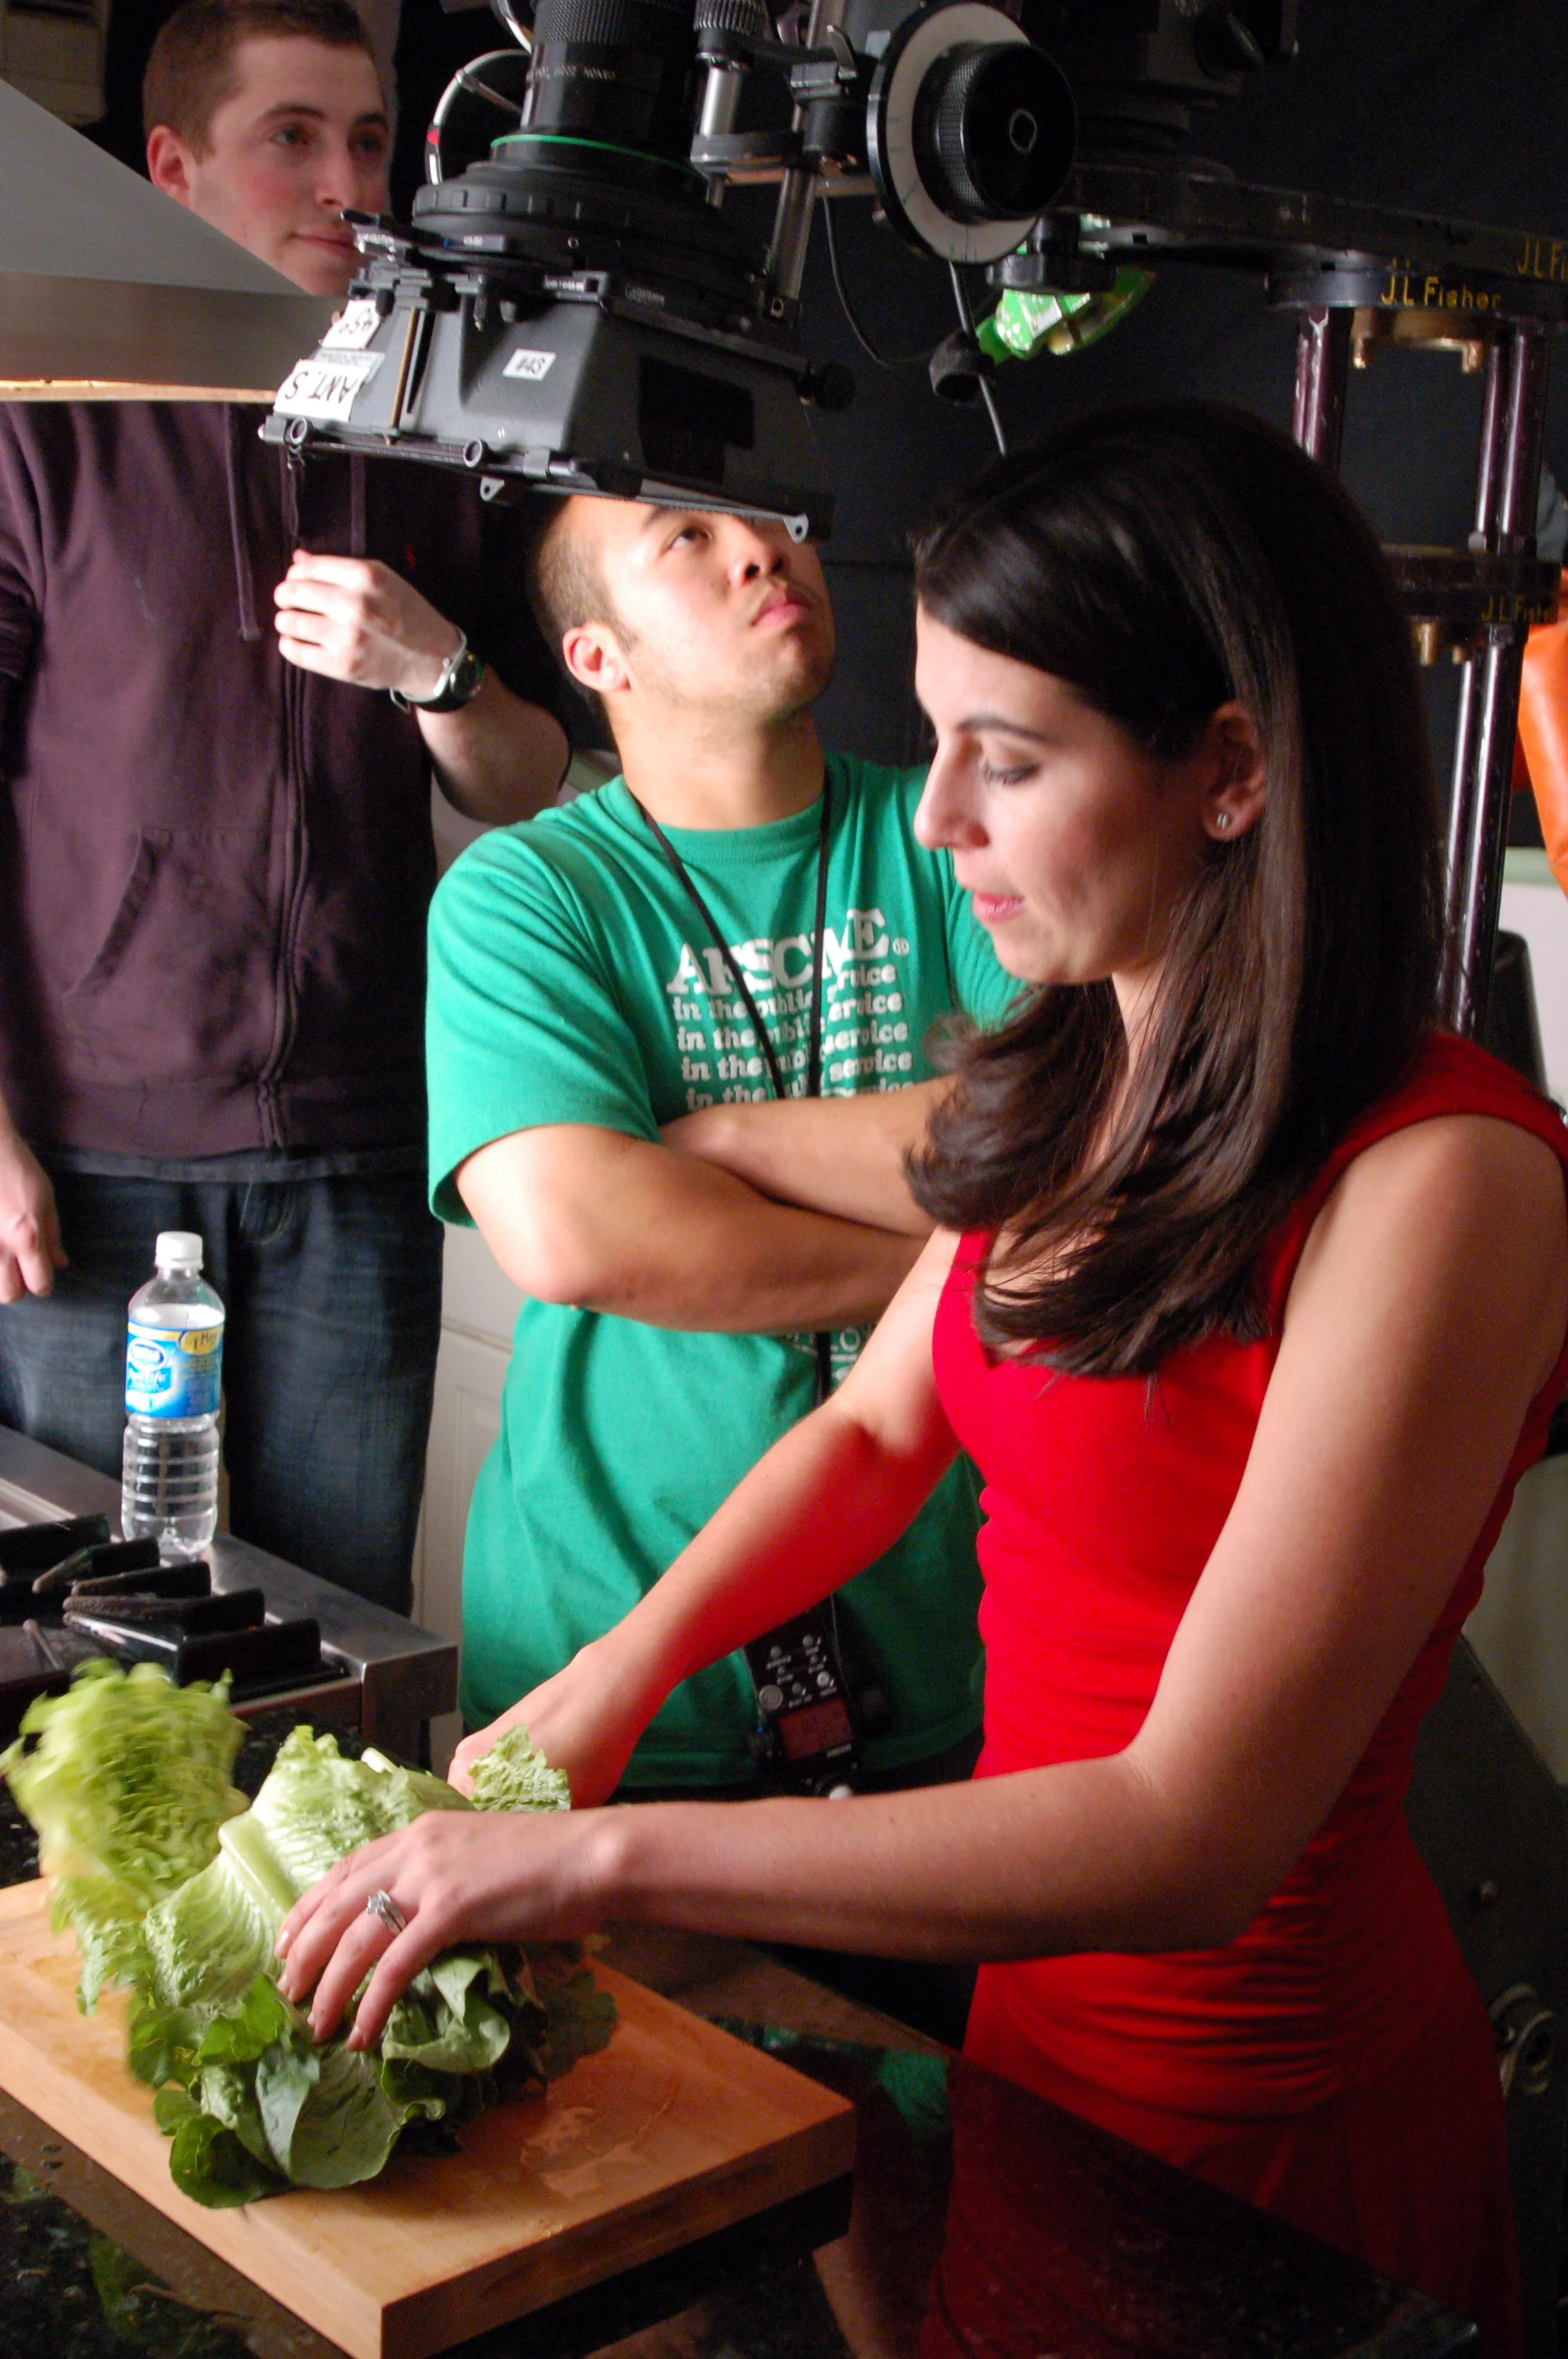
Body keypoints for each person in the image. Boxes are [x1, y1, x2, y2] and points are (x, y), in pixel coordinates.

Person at [275, 404, 1568, 2350]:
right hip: (1029, 2027)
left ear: (1227, 770)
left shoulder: (1443, 1178)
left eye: (1010, 757)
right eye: (940, 734)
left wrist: (588, 1852)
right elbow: (885, 1427)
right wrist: (610, 1689)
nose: (939, 815)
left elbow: (1191, 1831)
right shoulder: (1068, 1070)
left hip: (1256, 2101)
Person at [0, 0, 569, 1611]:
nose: (345, 183)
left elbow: (529, 773)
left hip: (357, 1144)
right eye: (293, 139)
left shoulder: (443, 429)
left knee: (334, 1639)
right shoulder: (44, 420)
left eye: (370, 140)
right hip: (88, 1157)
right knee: (89, 1641)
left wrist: (438, 668)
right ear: (171, 169)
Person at [421, 490, 1014, 1830]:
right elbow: (583, 1234)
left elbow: (1067, 1139)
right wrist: (971, 1276)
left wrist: (724, 1144)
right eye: (684, 537)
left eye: (776, 520)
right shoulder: (530, 894)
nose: (762, 549)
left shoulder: (960, 839)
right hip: (603, 1665)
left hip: (938, 1650)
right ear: (597, 658)